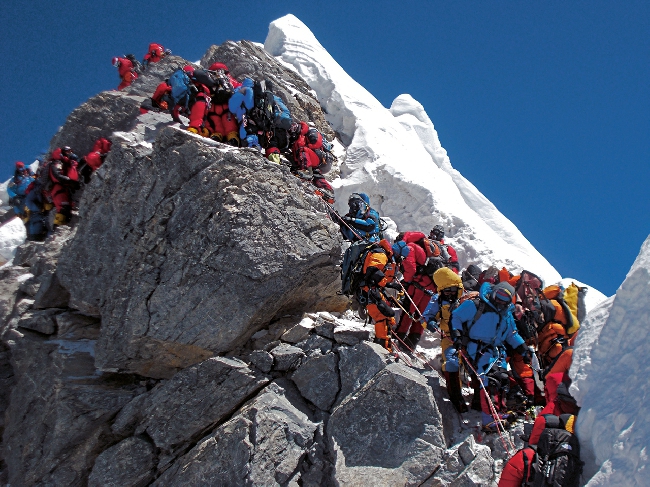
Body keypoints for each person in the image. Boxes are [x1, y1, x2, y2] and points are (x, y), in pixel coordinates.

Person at [449, 281, 530, 431]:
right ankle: (489, 418)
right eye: (498, 296)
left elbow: (512, 334)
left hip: (498, 351)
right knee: (489, 378)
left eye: (504, 299)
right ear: (493, 292)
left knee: (502, 380)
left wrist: (523, 348)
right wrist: (457, 335)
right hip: (477, 347)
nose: (500, 301)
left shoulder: (506, 314)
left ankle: (499, 412)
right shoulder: (476, 304)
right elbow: (456, 317)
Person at [423, 267, 467, 412]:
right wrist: (429, 322)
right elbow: (426, 316)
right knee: (451, 362)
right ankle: (456, 397)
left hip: (469, 337)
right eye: (446, 291)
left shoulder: (467, 298)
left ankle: (481, 401)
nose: (450, 294)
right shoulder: (438, 299)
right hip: (449, 337)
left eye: (452, 290)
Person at [358, 239, 404, 352]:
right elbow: (372, 271)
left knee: (388, 317)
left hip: (372, 291)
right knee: (381, 317)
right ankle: (381, 346)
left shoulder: (382, 254)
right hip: (368, 291)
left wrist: (389, 285)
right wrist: (389, 284)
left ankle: (386, 345)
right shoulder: (381, 255)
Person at [395, 231, 437, 351]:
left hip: (417, 286)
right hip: (430, 289)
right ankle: (412, 342)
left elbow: (410, 268)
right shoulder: (425, 250)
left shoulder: (410, 247)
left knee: (409, 311)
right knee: (421, 315)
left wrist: (407, 281)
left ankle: (398, 337)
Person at [205, 62, 241, 145]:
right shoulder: (228, 79)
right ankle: (233, 138)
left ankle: (217, 135)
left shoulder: (209, 80)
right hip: (227, 105)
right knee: (229, 123)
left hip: (214, 106)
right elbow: (238, 86)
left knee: (216, 122)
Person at [48, 146, 79, 228]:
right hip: (58, 188)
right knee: (63, 208)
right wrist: (70, 181)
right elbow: (57, 175)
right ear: (62, 153)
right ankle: (57, 228)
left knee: (66, 207)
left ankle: (60, 227)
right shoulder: (57, 163)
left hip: (61, 188)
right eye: (67, 152)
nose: (69, 153)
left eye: (70, 151)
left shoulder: (63, 163)